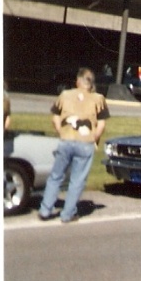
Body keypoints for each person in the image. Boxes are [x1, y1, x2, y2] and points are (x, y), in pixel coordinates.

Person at [38, 67, 110, 223]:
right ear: (91, 84)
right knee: (77, 180)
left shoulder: (64, 95)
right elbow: (101, 125)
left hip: (66, 139)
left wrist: (61, 132)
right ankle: (67, 214)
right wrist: (93, 137)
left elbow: (55, 118)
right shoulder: (99, 99)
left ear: (78, 81)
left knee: (56, 176)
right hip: (85, 143)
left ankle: (45, 210)